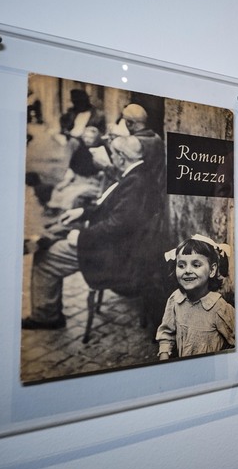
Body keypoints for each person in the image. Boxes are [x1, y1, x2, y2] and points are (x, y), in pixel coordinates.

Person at [22, 135, 162, 329]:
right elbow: (115, 212)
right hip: (121, 247)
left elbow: (117, 225)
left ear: (121, 157)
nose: (111, 158)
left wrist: (82, 237)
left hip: (117, 257)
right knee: (62, 230)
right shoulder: (139, 174)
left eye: (113, 154)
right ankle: (46, 238)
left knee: (45, 259)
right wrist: (83, 211)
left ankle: (47, 316)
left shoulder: (134, 182)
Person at [155, 234, 235, 359]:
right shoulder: (176, 299)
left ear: (212, 270)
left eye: (196, 265)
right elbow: (166, 334)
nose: (187, 270)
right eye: (181, 265)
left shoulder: (219, 308)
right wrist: (164, 358)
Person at [44, 125, 105, 214]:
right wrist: (65, 182)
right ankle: (55, 209)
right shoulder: (81, 150)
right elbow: (73, 168)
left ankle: (66, 214)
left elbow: (104, 173)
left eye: (90, 138)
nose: (87, 140)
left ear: (96, 138)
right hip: (78, 180)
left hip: (94, 182)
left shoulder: (102, 151)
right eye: (85, 137)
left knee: (73, 193)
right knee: (60, 190)